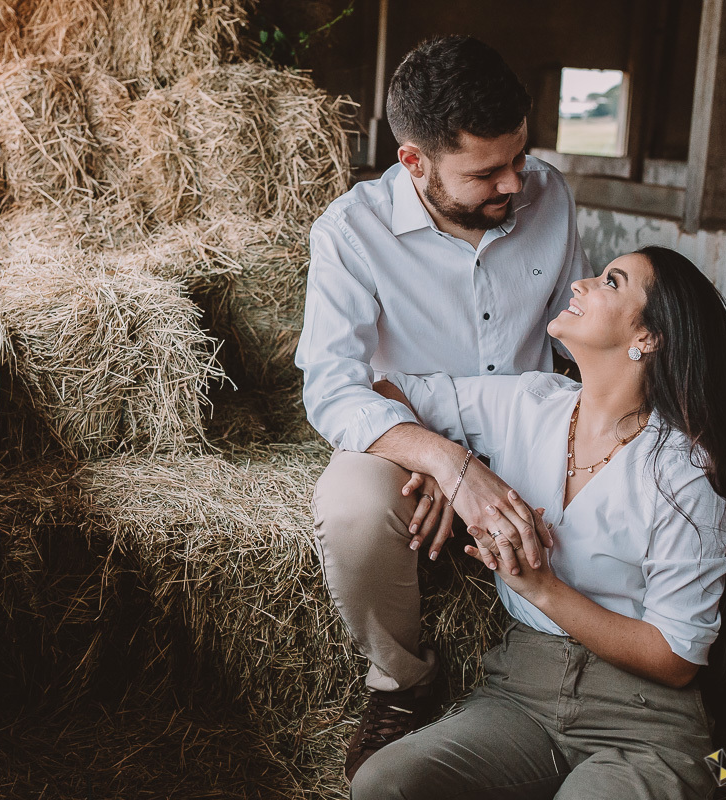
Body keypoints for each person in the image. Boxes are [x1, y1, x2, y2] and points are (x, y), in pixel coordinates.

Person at [350, 246, 726, 800]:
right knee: (384, 784)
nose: (581, 284)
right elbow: (384, 390)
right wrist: (440, 462)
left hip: (642, 722)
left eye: (611, 282)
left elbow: (676, 658)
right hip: (520, 695)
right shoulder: (528, 402)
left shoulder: (685, 474)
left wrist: (542, 588)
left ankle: (705, 770)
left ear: (648, 338)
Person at [295, 35, 591, 779]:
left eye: (520, 158)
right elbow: (333, 388)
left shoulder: (551, 196)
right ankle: (402, 682)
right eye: (486, 172)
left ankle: (587, 673)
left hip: (535, 424)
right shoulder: (348, 233)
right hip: (409, 434)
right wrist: (440, 457)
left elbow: (581, 346)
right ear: (414, 163)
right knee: (353, 507)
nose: (515, 184)